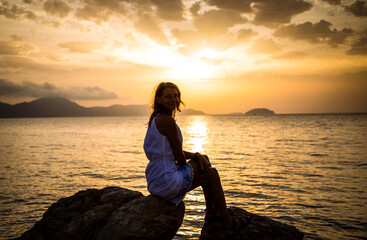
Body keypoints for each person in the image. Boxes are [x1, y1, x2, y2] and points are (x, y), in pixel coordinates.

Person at [143, 82, 247, 236]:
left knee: (206, 166)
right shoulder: (167, 121)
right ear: (158, 99)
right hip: (166, 182)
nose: (174, 99)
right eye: (168, 96)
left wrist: (197, 156)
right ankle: (227, 222)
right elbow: (180, 159)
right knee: (211, 173)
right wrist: (197, 156)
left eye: (176, 96)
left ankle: (213, 213)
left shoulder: (155, 120)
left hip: (155, 180)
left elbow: (171, 153)